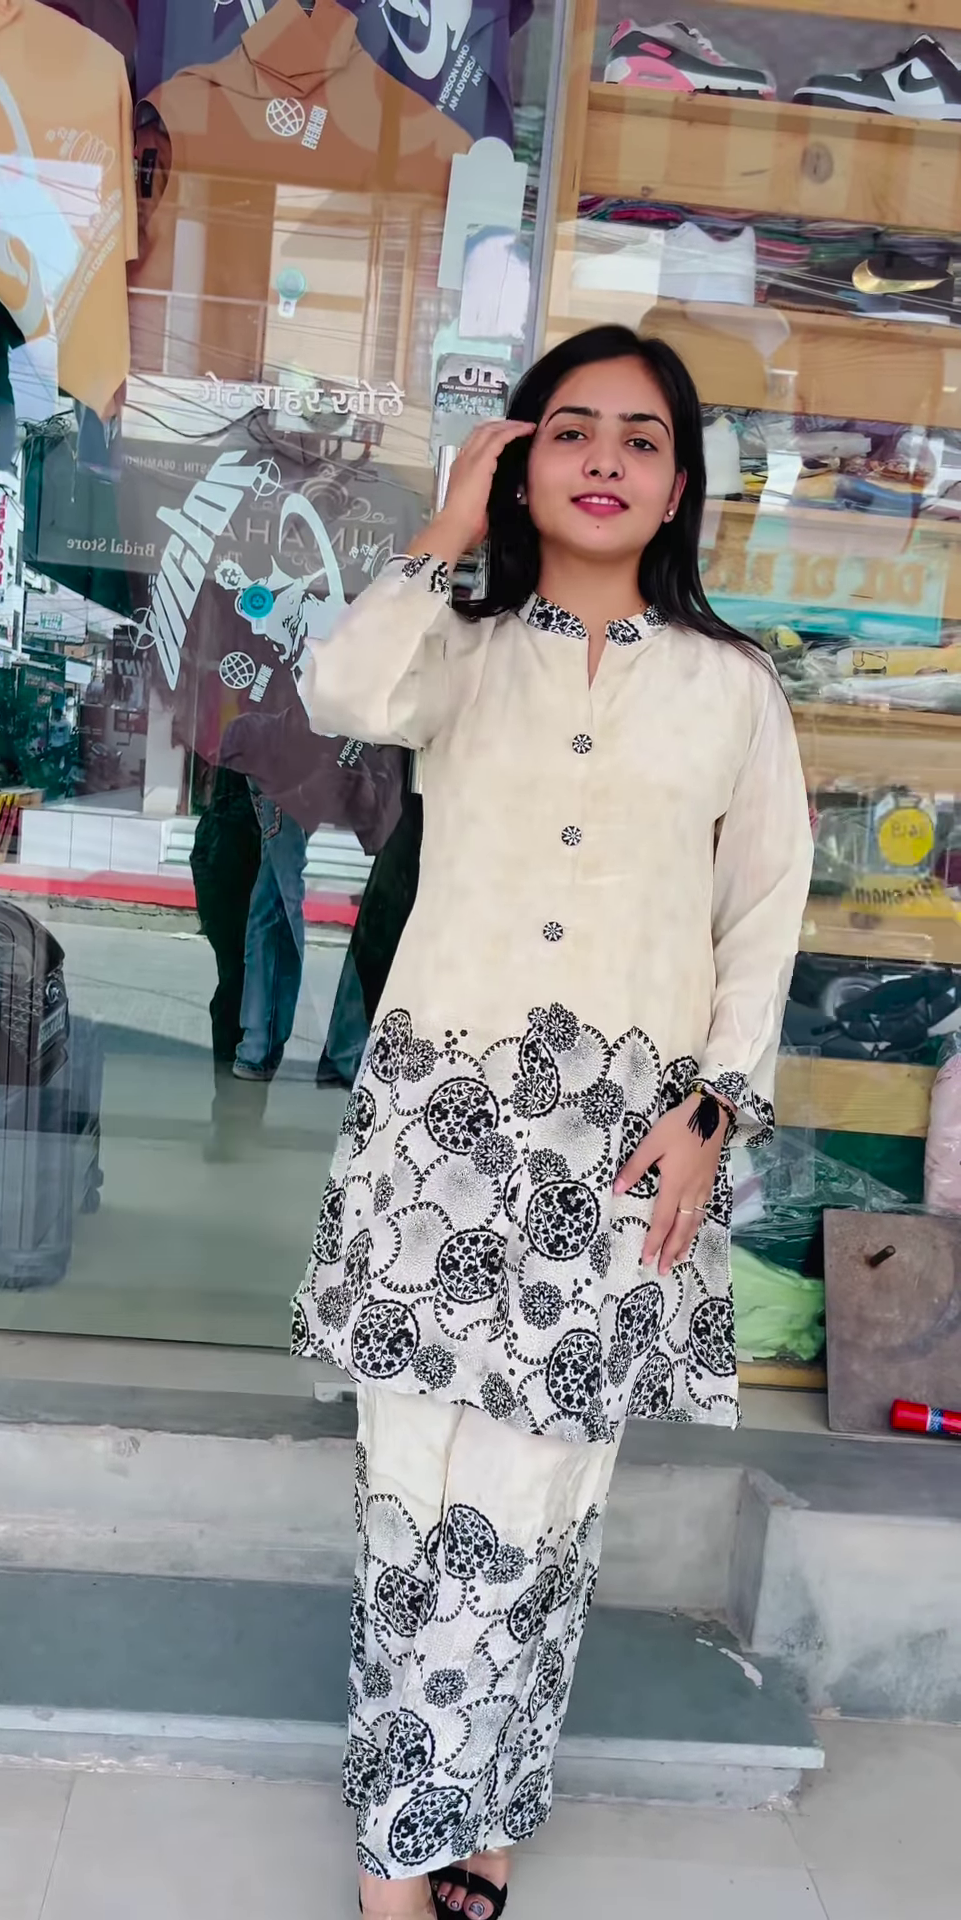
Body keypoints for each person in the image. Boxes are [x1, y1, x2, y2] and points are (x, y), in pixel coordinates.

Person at [290, 325, 814, 1919]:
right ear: (521, 464)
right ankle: (402, 1844)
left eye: (641, 438)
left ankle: (494, 1799)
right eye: (570, 429)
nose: (604, 459)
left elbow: (763, 916)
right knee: (412, 1492)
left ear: (680, 487)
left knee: (544, 1501)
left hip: (624, 1144)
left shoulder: (733, 691)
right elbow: (340, 689)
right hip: (441, 1138)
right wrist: (444, 532)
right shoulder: (458, 648)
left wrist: (714, 1110)